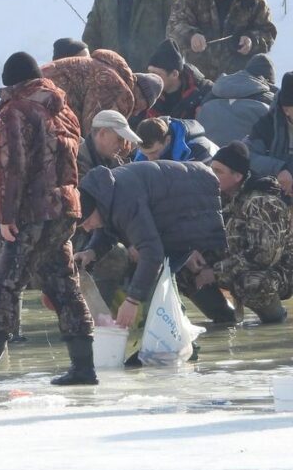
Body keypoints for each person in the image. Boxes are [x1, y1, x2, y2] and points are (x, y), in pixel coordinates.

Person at [0, 52, 95, 388]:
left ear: (10, 84)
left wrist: (6, 213)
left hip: (31, 212)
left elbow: (13, 166)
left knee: (1, 283)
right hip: (65, 210)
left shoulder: (16, 111)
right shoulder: (63, 109)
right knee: (64, 285)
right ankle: (84, 367)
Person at [77, 159, 234, 325]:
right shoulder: (103, 195)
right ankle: (189, 330)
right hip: (173, 202)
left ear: (95, 207)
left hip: (194, 205)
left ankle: (184, 339)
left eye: (87, 222)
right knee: (161, 282)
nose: (87, 229)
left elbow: (153, 254)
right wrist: (91, 251)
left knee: (160, 282)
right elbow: (108, 226)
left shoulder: (124, 203)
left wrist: (132, 301)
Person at [209, 142, 291, 323]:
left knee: (251, 283)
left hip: (276, 272)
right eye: (211, 170)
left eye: (218, 172)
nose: (211, 176)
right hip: (233, 264)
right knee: (186, 270)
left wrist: (216, 272)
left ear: (237, 176)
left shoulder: (263, 202)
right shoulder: (219, 197)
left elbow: (263, 256)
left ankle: (275, 320)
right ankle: (225, 320)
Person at [168, 0, 277, 81]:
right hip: (201, 78)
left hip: (241, 78)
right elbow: (174, 25)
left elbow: (268, 32)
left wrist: (252, 40)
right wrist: (191, 36)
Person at [40, 48, 135, 134]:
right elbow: (94, 128)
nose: (137, 113)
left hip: (37, 95)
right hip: (46, 105)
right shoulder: (112, 83)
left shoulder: (98, 68)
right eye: (145, 105)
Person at [198, 54, 275, 146]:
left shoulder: (213, 92)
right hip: (244, 156)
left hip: (205, 154)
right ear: (267, 80)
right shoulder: (270, 100)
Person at [246, 72, 293, 195]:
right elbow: (248, 155)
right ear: (286, 110)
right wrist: (279, 168)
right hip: (277, 194)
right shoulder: (266, 125)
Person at [144, 39, 212, 120]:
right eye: (149, 72)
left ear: (174, 74)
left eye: (156, 74)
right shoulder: (145, 93)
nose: (150, 77)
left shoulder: (206, 92)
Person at [77, 110, 138, 179]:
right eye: (119, 139)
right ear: (103, 133)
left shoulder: (110, 159)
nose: (123, 146)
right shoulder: (76, 163)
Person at [133, 117, 217, 163]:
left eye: (154, 152)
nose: (150, 159)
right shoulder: (145, 148)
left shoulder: (198, 148)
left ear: (167, 140)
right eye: (145, 153)